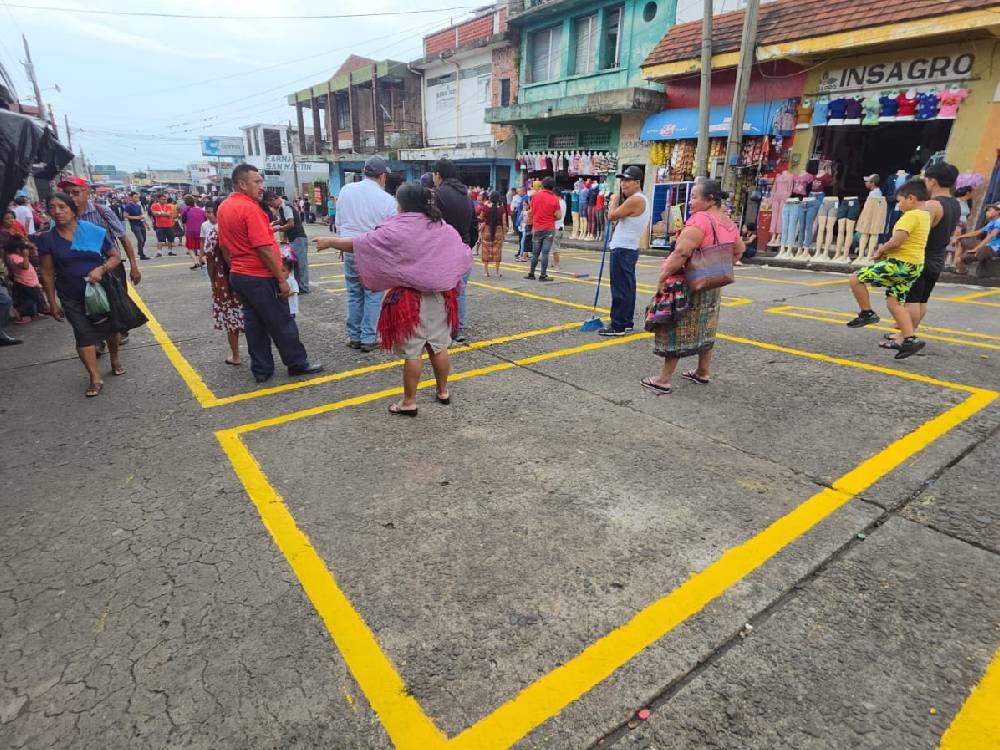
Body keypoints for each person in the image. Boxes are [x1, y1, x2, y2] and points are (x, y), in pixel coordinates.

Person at [315, 183, 472, 416]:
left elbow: (363, 244)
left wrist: (330, 242)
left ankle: (409, 402)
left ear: (402, 204)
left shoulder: (395, 229)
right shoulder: (443, 227)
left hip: (410, 301)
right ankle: (443, 391)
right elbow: (463, 253)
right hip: (440, 298)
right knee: (439, 347)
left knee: (413, 352)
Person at [216, 164, 322, 384]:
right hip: (259, 275)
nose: (261, 186)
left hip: (240, 274)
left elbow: (225, 247)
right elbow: (263, 247)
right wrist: (281, 279)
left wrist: (235, 267)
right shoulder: (250, 208)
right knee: (281, 322)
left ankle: (262, 369)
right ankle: (297, 363)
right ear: (242, 184)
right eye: (257, 182)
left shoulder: (225, 207)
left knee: (254, 324)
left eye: (261, 181)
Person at [641, 180, 744, 394]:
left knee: (677, 327)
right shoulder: (727, 221)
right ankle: (702, 372)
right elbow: (739, 250)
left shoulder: (699, 221)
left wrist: (663, 276)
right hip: (713, 285)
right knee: (707, 326)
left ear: (710, 200)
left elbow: (681, 254)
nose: (690, 201)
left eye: (695, 197)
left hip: (690, 282)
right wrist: (718, 267)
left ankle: (664, 379)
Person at [37, 192, 125, 397]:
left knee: (110, 328)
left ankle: (114, 358)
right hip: (71, 294)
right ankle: (94, 376)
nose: (57, 212)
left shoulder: (93, 231)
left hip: (99, 290)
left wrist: (101, 269)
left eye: (62, 207)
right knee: (83, 333)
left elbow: (114, 257)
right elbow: (48, 273)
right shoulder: (48, 239)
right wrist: (52, 301)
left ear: (73, 210)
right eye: (52, 207)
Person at [846, 179, 930, 359]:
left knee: (856, 278)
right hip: (914, 266)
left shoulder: (911, 216)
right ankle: (909, 339)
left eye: (900, 201)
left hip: (900, 264)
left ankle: (867, 312)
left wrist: (881, 250)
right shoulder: (925, 216)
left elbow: (898, 240)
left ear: (911, 198)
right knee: (894, 303)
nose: (898, 205)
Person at [336, 155, 398, 352]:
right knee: (373, 295)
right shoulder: (387, 200)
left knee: (354, 292)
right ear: (382, 176)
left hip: (350, 246)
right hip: (374, 250)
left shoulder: (346, 190)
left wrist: (340, 245)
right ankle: (368, 337)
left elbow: (339, 221)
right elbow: (391, 232)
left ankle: (354, 335)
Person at [895, 162, 961, 341]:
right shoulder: (955, 204)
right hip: (938, 258)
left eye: (925, 179)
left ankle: (904, 337)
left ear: (933, 181)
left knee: (912, 300)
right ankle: (906, 333)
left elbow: (919, 231)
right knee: (922, 300)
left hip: (922, 257)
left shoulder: (932, 205)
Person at [600, 166, 652, 336]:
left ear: (637, 182)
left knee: (620, 288)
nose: (623, 184)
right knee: (627, 287)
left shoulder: (635, 199)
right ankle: (626, 321)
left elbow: (611, 215)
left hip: (623, 249)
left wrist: (614, 200)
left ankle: (618, 325)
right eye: (622, 180)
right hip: (628, 248)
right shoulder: (639, 199)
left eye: (628, 180)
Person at [431, 158, 477, 342]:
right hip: (463, 249)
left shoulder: (437, 194)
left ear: (438, 175)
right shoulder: (465, 194)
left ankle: (444, 327)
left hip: (443, 251)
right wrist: (468, 245)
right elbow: (474, 224)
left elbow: (431, 224)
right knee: (460, 291)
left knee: (441, 292)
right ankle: (458, 327)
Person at [202, 200, 244, 366]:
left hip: (224, 280)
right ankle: (259, 353)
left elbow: (210, 259)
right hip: (248, 275)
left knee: (231, 320)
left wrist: (213, 281)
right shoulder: (241, 227)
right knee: (252, 316)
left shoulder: (214, 232)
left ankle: (236, 355)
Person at [268, 193, 309, 293]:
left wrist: (277, 228)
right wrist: (274, 223)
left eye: (271, 204)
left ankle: (303, 287)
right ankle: (300, 286)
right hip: (294, 238)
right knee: (296, 264)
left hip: (298, 238)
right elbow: (283, 221)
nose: (271, 206)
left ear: (275, 199)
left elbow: (290, 224)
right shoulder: (282, 207)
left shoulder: (285, 206)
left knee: (301, 264)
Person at [525, 177, 562, 281]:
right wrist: (550, 217)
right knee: (545, 253)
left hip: (537, 227)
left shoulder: (535, 196)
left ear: (542, 185)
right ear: (553, 187)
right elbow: (559, 216)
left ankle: (531, 273)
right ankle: (543, 275)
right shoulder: (555, 199)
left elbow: (531, 211)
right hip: (549, 228)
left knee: (535, 252)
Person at [4, 235, 45, 321]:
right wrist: (26, 256)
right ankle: (19, 310)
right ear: (18, 250)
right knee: (35, 297)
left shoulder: (12, 256)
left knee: (31, 298)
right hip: (26, 282)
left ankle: (34, 314)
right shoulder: (14, 257)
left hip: (27, 280)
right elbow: (25, 266)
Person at [477, 191, 506, 277]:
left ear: (490, 198)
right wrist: (504, 234)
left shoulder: (485, 208)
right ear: (498, 199)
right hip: (498, 230)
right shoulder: (501, 209)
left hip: (486, 230)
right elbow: (504, 223)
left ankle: (486, 272)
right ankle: (497, 272)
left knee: (485, 250)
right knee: (497, 251)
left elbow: (481, 218)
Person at [180, 195, 207, 269]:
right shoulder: (201, 210)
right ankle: (203, 260)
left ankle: (196, 262)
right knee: (201, 247)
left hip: (190, 231)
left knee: (190, 248)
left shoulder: (185, 210)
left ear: (185, 202)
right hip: (201, 231)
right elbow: (205, 219)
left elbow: (183, 221)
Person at [123, 193, 150, 260]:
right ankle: (142, 254)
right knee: (140, 239)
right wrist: (136, 217)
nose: (137, 198)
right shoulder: (128, 206)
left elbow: (142, 216)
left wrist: (146, 224)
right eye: (135, 197)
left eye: (137, 197)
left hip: (141, 224)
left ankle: (140, 251)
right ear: (131, 198)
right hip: (134, 225)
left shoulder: (138, 206)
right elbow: (125, 215)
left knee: (144, 239)